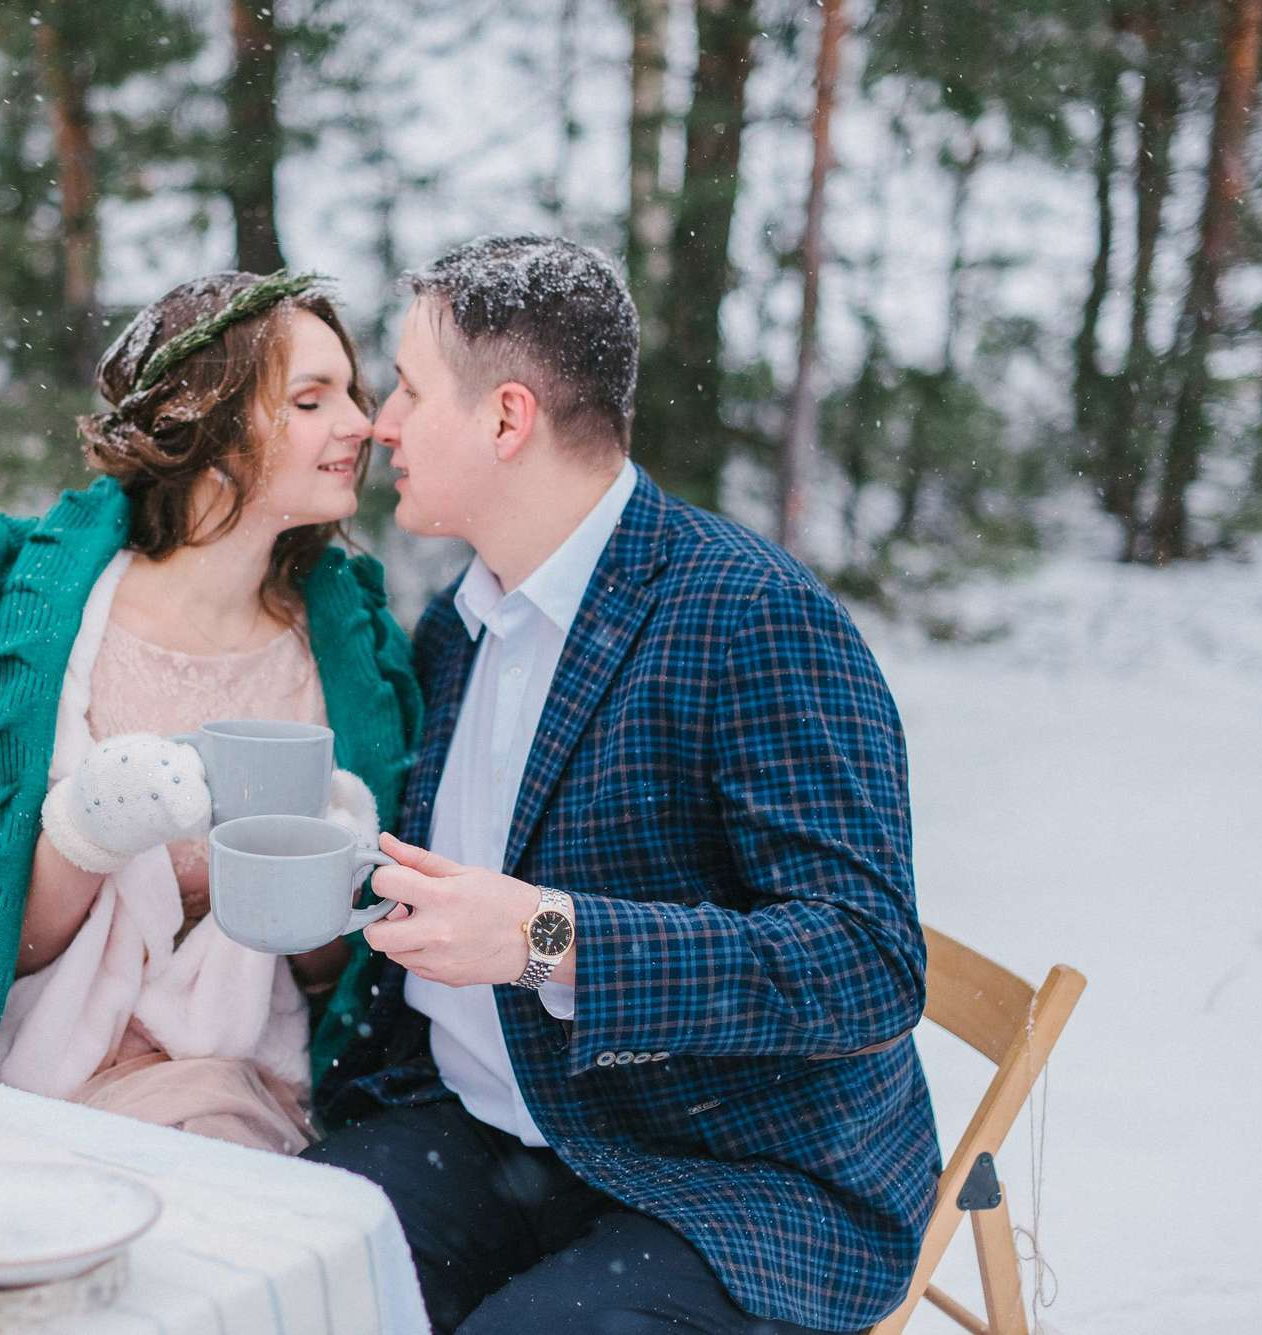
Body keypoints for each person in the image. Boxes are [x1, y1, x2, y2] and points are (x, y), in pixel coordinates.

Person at [305, 235, 943, 1334]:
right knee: (283, 1272)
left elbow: (866, 964)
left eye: (407, 389)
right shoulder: (454, 627)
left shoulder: (752, 618)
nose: (381, 424)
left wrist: (547, 937)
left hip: (726, 1175)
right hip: (484, 1131)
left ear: (507, 419)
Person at [0, 271, 421, 1154]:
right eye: (310, 399)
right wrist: (86, 827)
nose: (361, 424)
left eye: (352, 394)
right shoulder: (50, 639)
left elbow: (344, 990)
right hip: (52, 1067)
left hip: (259, 1083)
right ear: (210, 428)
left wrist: (323, 878)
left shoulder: (345, 650)